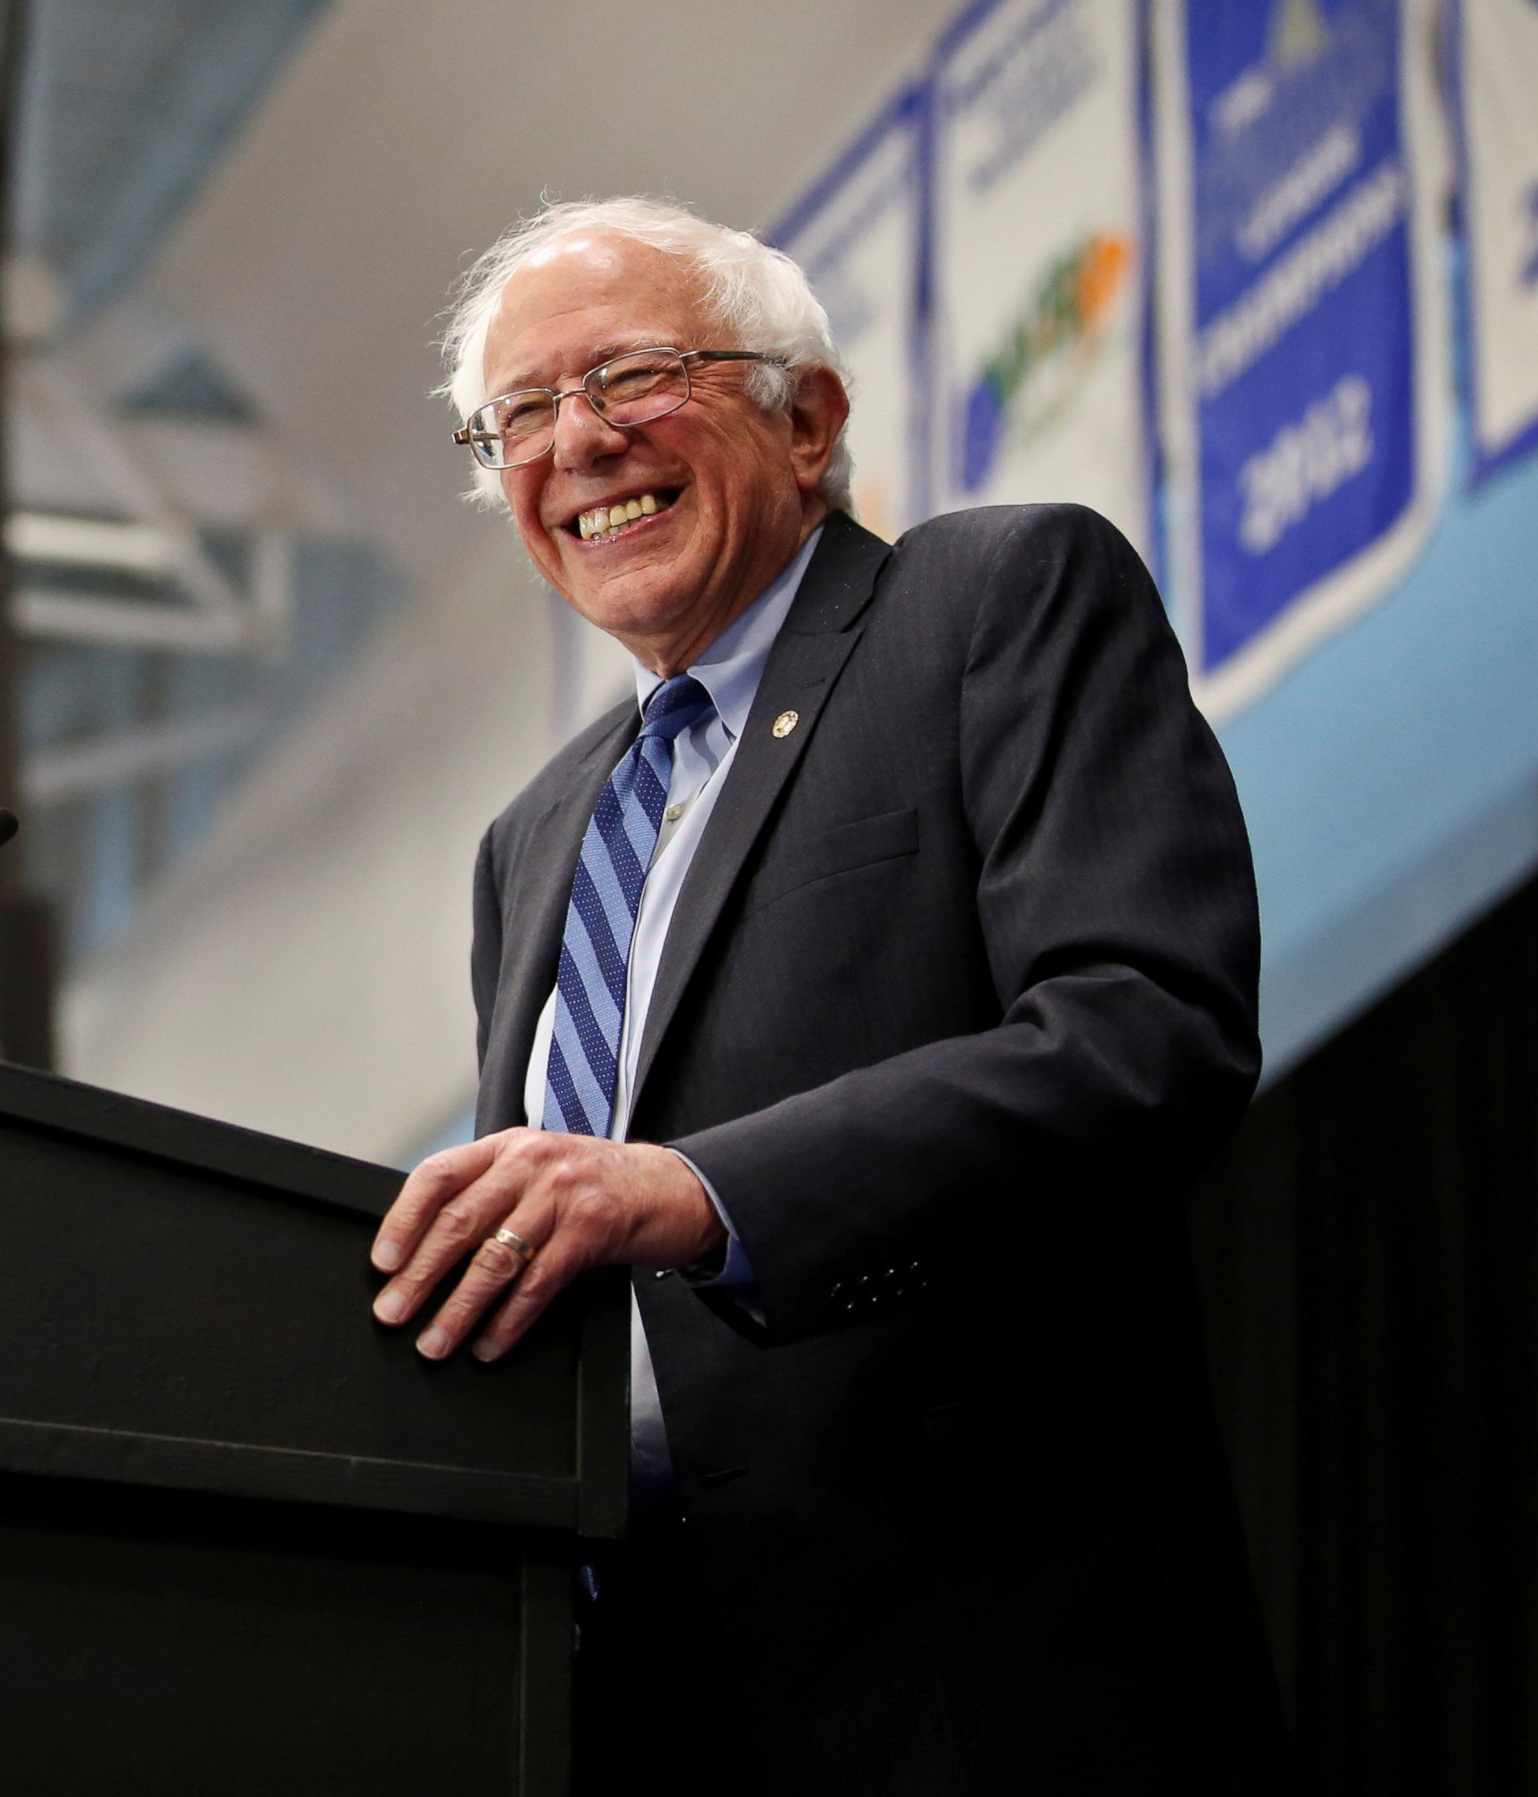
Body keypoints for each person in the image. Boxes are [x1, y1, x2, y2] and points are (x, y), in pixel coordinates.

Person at [365, 197, 1291, 1792]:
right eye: (521, 411)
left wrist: (700, 1189)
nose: (577, 441)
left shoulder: (992, 603)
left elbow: (1144, 1032)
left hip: (981, 1686)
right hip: (622, 1702)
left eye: (634, 374)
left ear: (812, 420)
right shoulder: (530, 844)